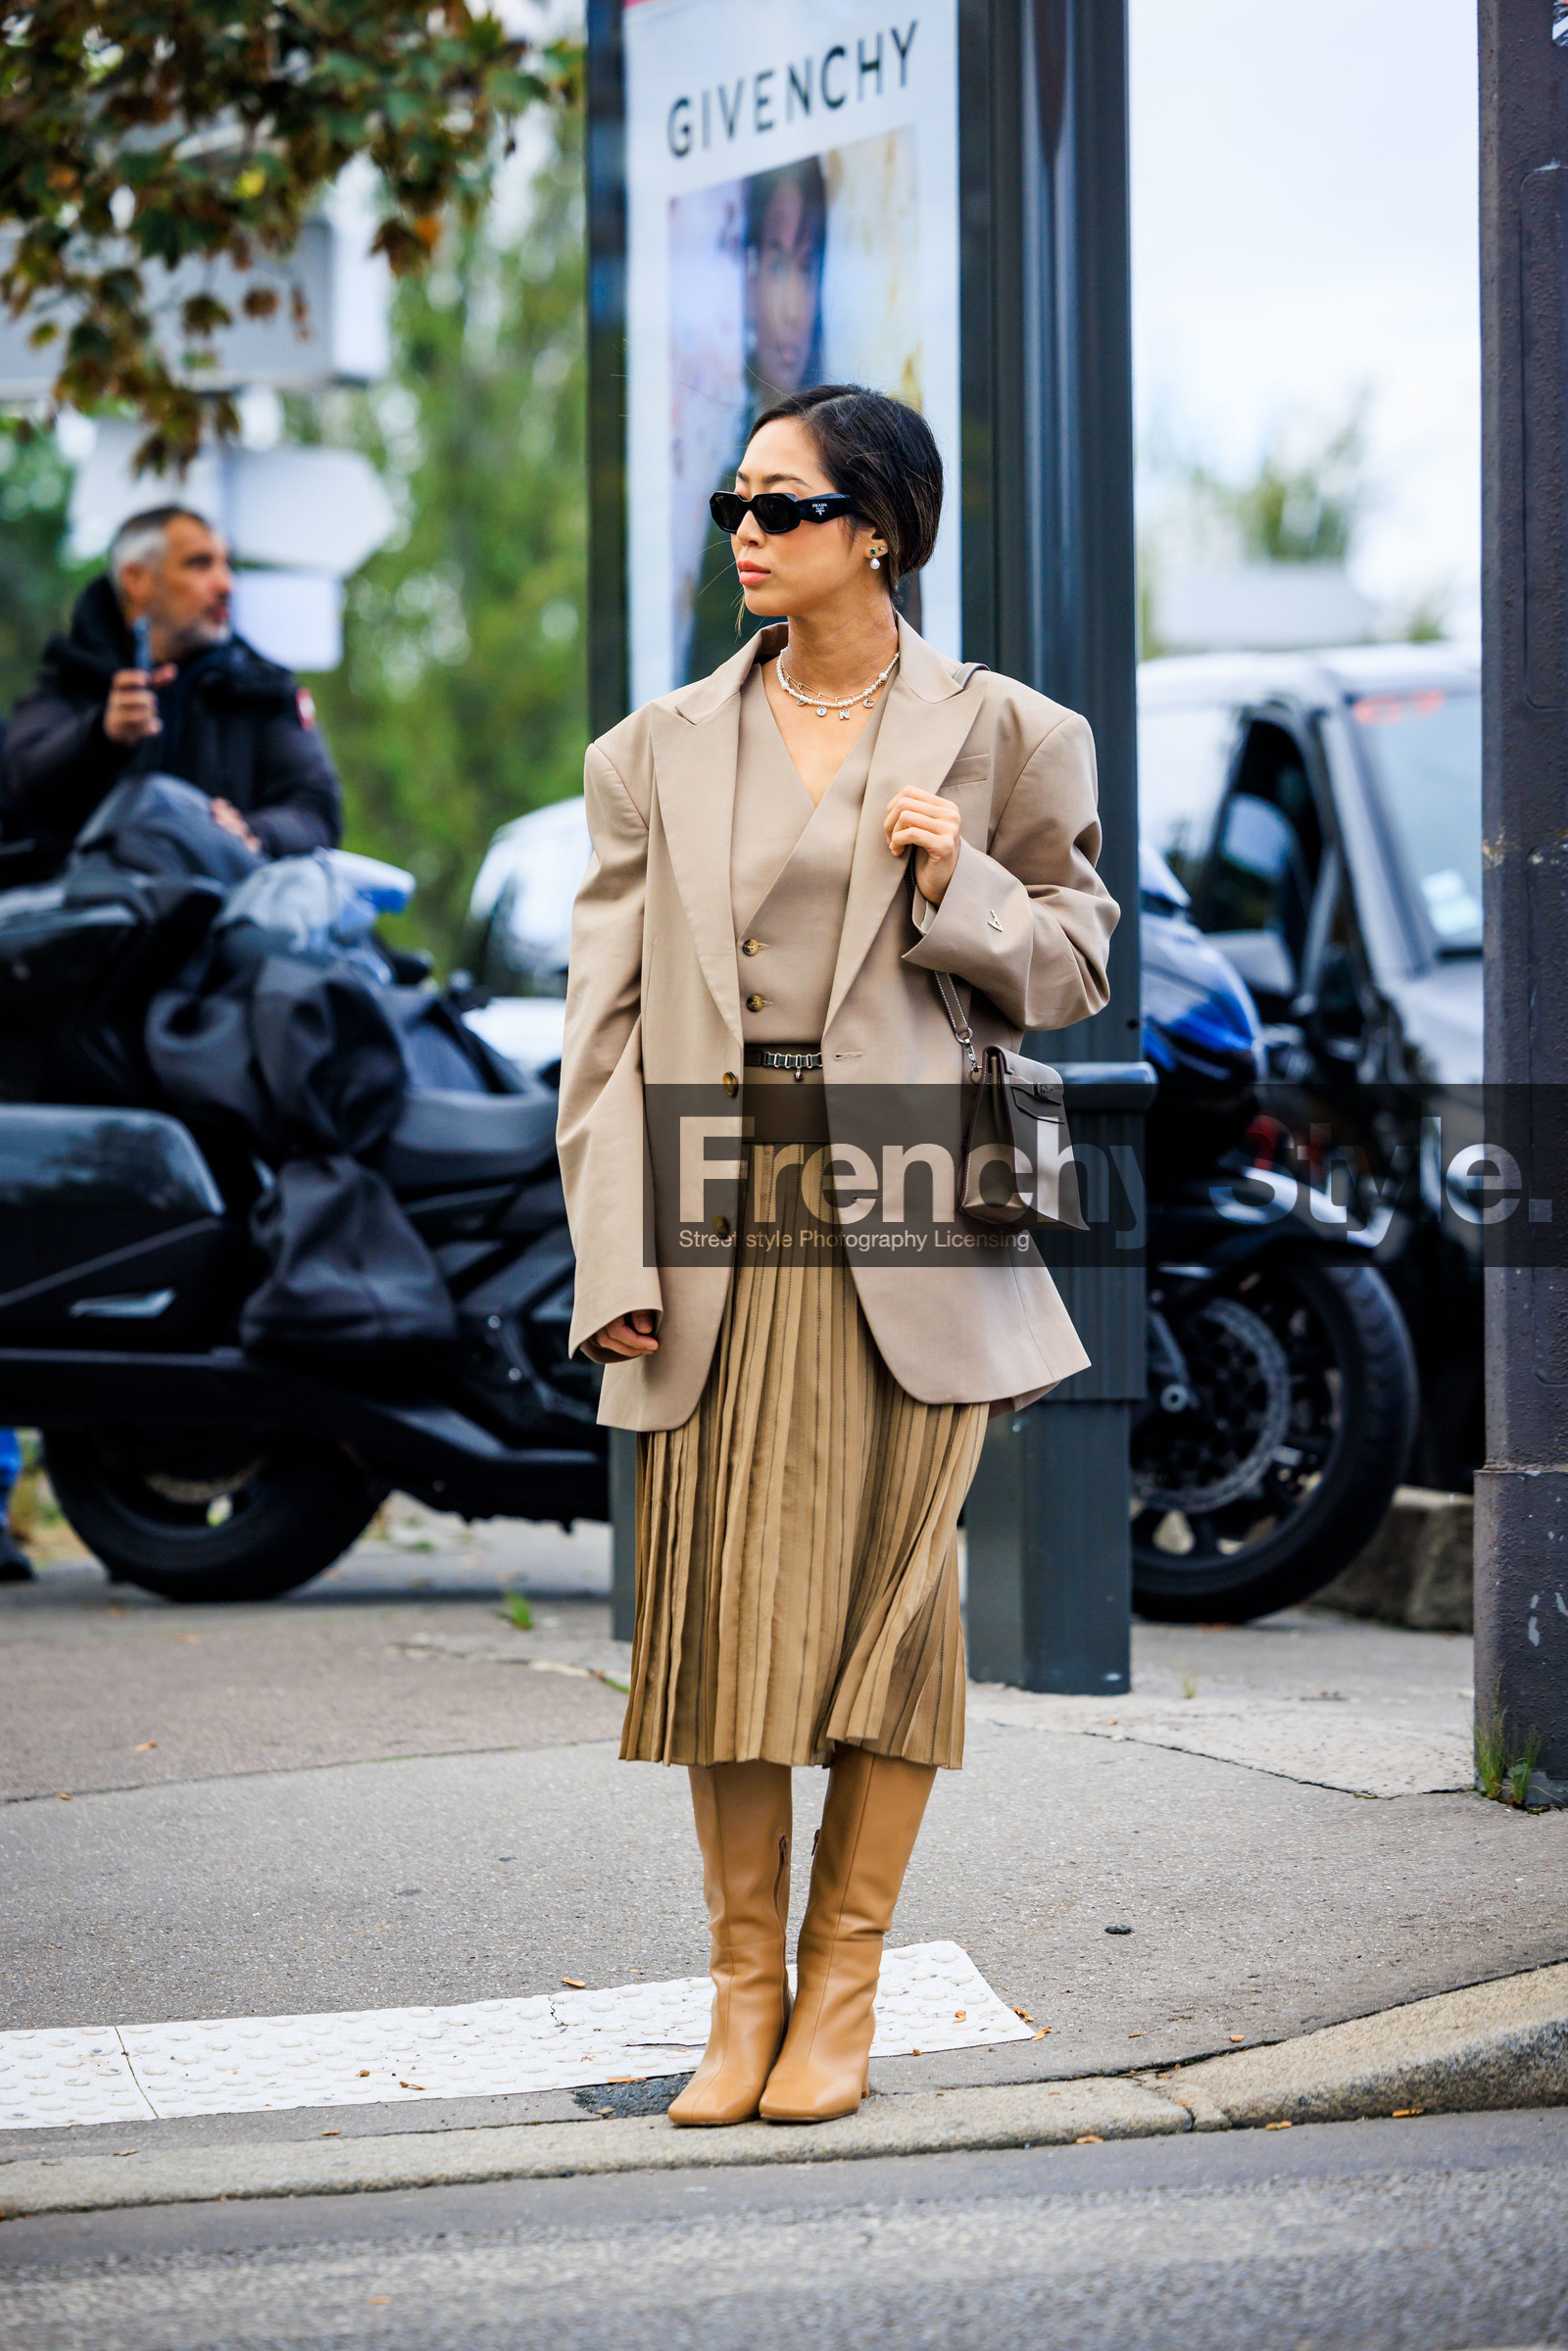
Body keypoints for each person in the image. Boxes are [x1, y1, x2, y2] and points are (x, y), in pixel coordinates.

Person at [560, 384, 1119, 2128]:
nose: (747, 529)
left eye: (783, 505)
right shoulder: (652, 750)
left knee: (892, 1610)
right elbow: (604, 1032)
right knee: (724, 1615)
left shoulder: (1009, 733)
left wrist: (962, 887)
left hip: (916, 1211)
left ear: (878, 529)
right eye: (735, 502)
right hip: (716, 1211)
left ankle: (844, 1986)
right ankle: (744, 1996)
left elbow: (1081, 964)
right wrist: (610, 1251)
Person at [1, 506, 342, 868]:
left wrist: (253, 833)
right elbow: (17, 788)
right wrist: (101, 738)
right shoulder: (69, 679)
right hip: (85, 900)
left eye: (225, 564)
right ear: (137, 579)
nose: (226, 584)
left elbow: (317, 810)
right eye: (200, 564)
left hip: (227, 901)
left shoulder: (262, 689)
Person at [684, 159, 828, 683]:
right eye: (778, 266)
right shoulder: (721, 461)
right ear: (748, 275)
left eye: (806, 268)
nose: (791, 309)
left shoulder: (859, 459)